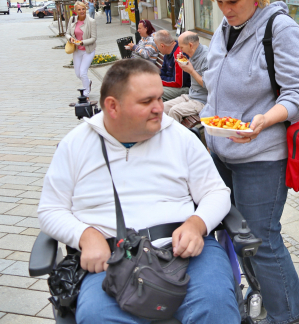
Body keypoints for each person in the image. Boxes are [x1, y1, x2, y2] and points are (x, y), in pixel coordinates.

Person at [38, 59, 240, 324]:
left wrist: (197, 224)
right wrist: (85, 236)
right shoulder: (75, 145)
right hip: (111, 258)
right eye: (147, 102)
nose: (159, 108)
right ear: (113, 106)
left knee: (215, 305)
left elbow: (216, 191)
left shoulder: (180, 137)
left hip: (183, 251)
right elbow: (51, 209)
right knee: (97, 316)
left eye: (159, 98)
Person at [202, 0, 299, 324]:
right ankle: (263, 297)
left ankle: (291, 316)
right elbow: (216, 83)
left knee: (261, 240)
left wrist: (265, 120)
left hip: (261, 156)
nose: (225, 9)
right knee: (239, 238)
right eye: (219, 2)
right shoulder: (225, 26)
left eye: (232, 1)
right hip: (222, 151)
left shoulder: (280, 29)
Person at [164, 31, 208, 122]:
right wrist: (185, 64)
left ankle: (174, 132)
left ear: (190, 45)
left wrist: (191, 71)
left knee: (174, 111)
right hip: (191, 95)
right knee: (163, 107)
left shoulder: (206, 57)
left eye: (181, 47)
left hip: (202, 101)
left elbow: (207, 84)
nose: (180, 50)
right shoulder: (193, 53)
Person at [65, 1, 97, 97]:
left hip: (88, 50)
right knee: (78, 74)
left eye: (83, 9)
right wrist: (70, 38)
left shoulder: (91, 21)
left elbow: (94, 38)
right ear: (75, 11)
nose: (82, 11)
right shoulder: (72, 19)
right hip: (77, 50)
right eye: (79, 9)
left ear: (86, 9)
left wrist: (82, 42)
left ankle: (86, 93)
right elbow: (67, 33)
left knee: (83, 72)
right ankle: (88, 82)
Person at [154, 30, 190, 101]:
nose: (157, 48)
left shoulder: (179, 54)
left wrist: (158, 80)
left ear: (162, 46)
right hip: (173, 84)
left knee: (155, 93)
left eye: (156, 45)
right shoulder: (168, 52)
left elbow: (178, 83)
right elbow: (163, 70)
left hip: (185, 88)